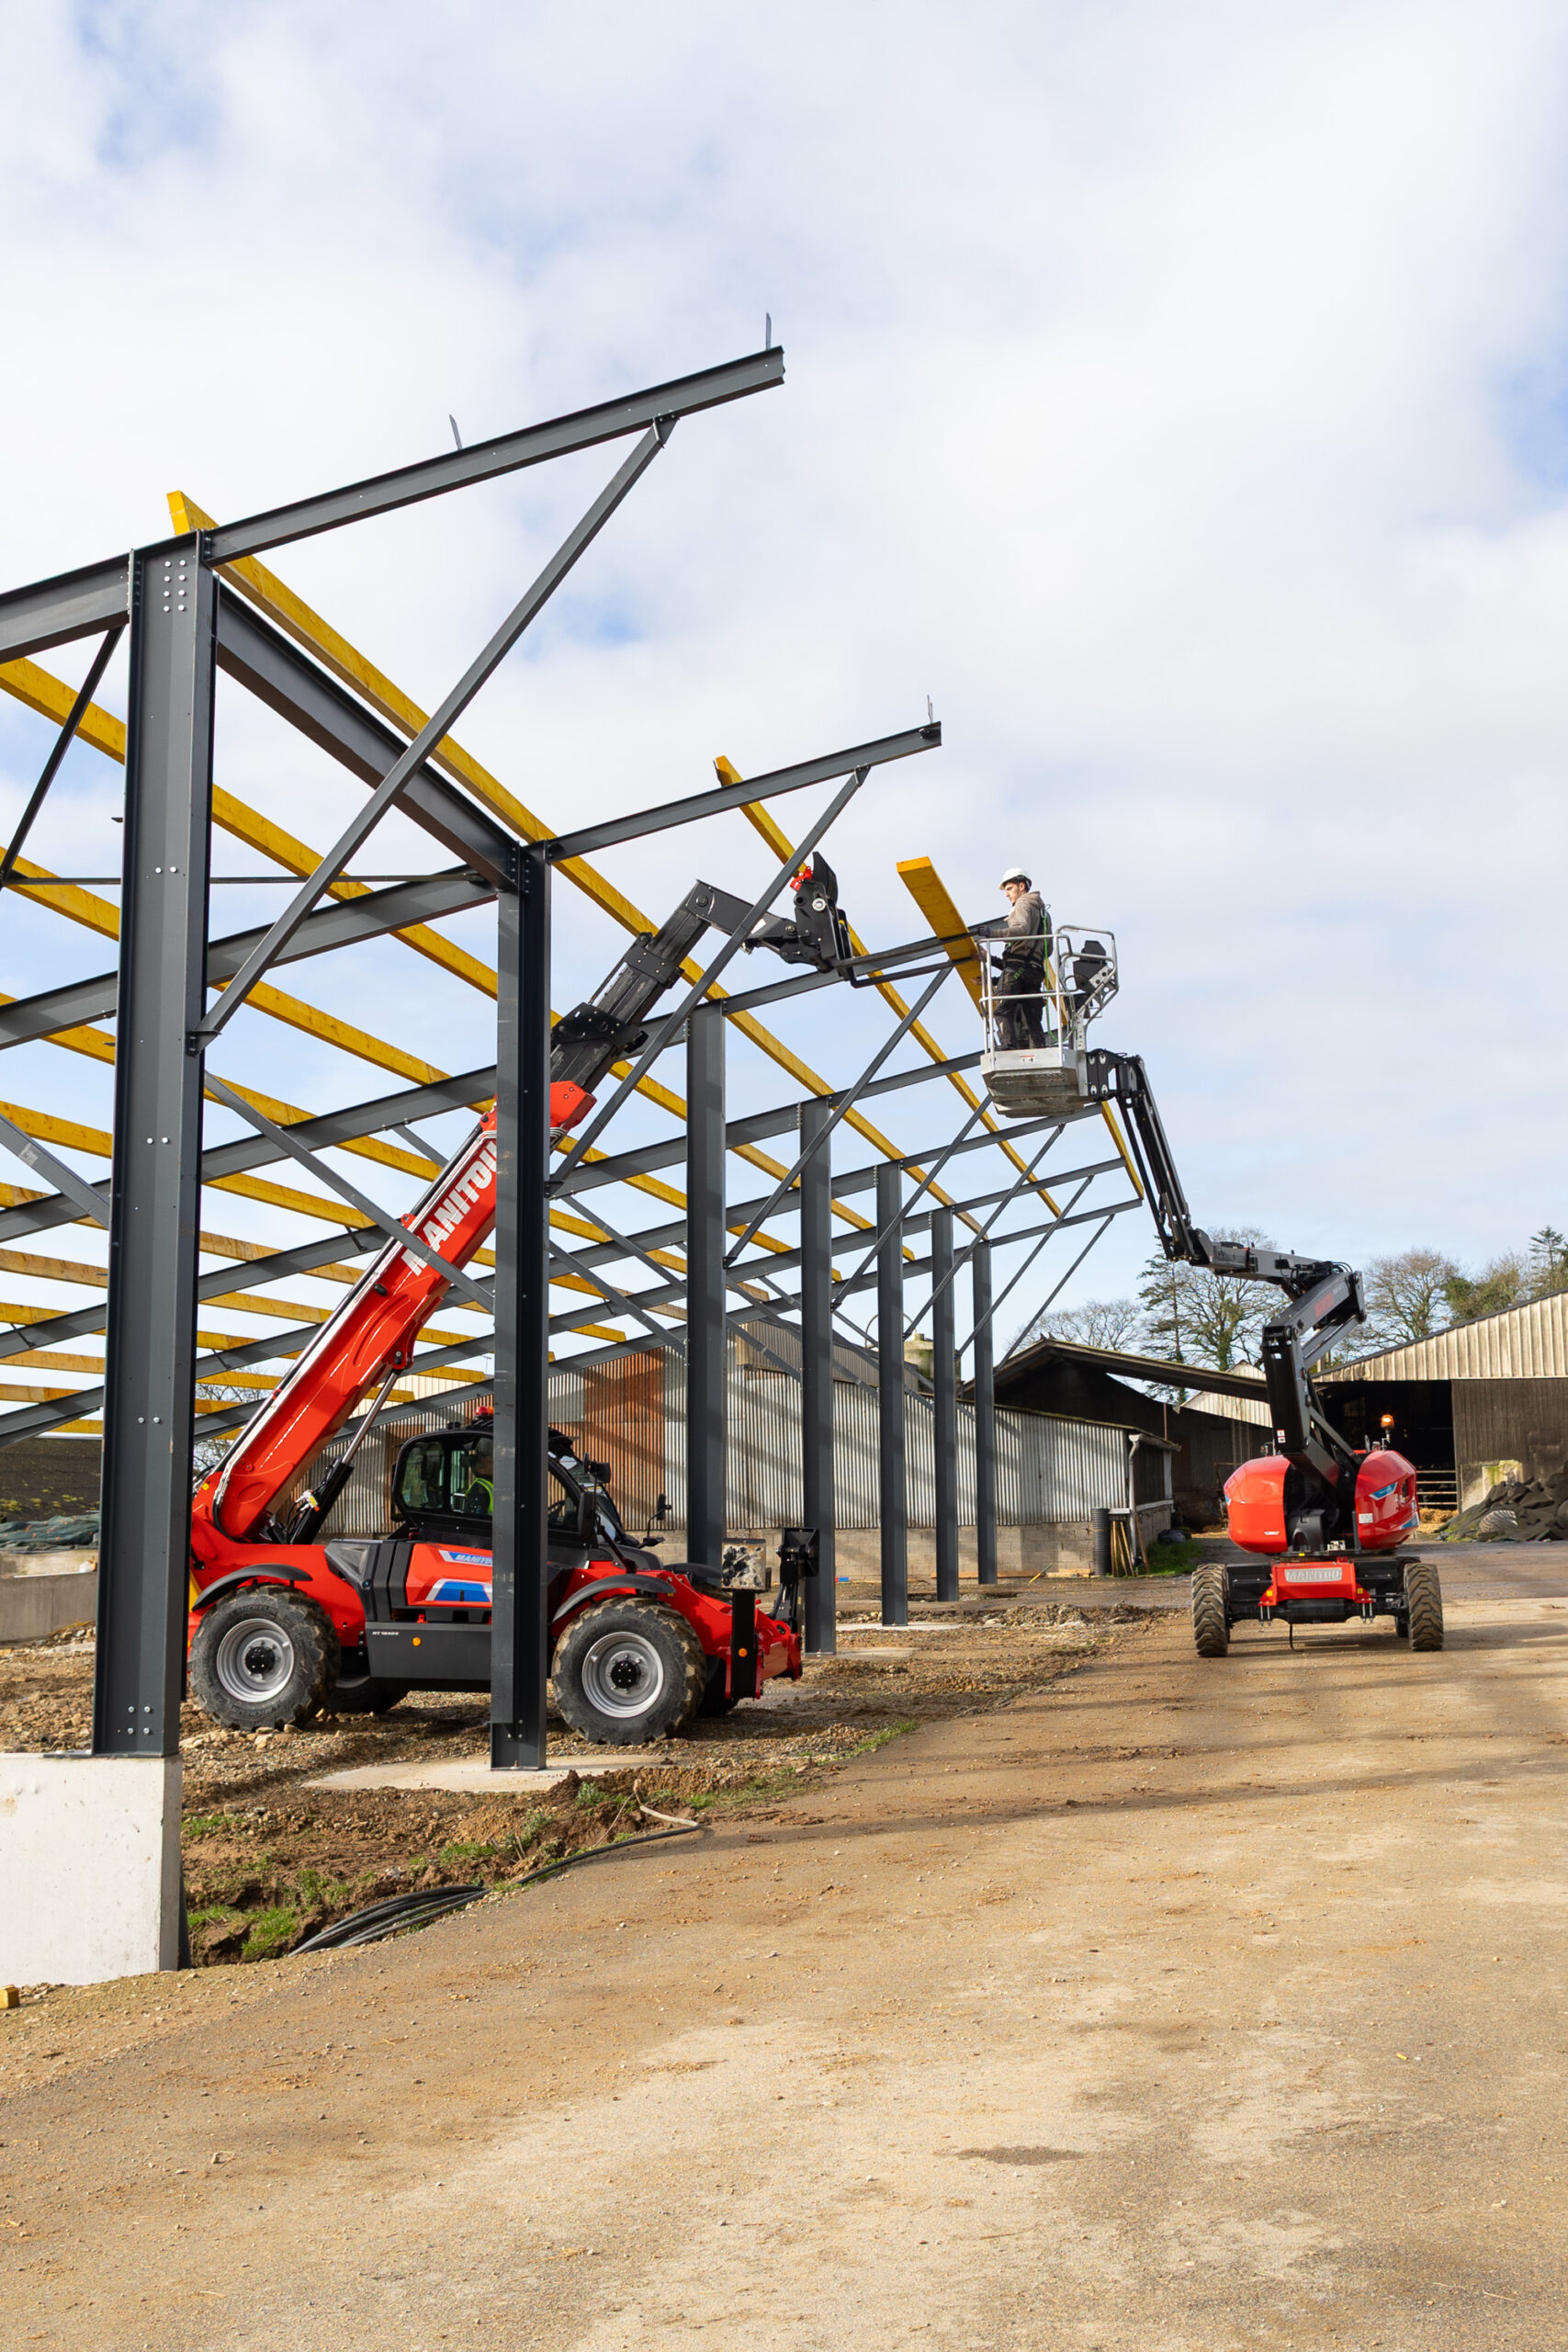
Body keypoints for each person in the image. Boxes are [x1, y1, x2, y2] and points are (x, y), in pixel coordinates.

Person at [994, 867, 1048, 1048]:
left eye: (1009, 888)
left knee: (1003, 1010)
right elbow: (1049, 949)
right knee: (1031, 1018)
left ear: (1021, 886)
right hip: (1035, 971)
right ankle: (1039, 1050)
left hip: (1016, 968)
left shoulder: (1023, 904)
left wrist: (992, 934)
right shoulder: (1044, 913)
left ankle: (1008, 1047)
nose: (1007, 894)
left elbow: (1021, 930)